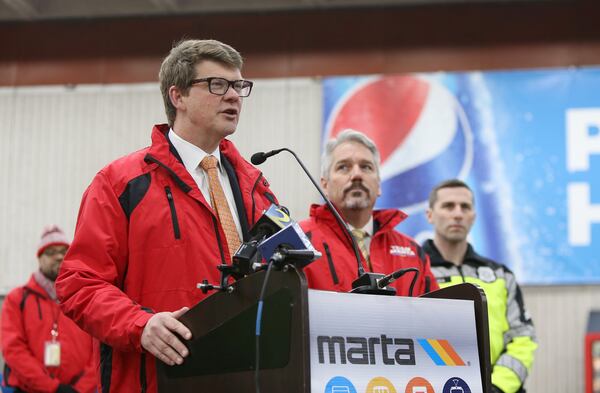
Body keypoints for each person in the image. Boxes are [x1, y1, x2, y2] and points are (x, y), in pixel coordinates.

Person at [55, 39, 278, 393]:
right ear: (178, 97)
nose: (234, 96)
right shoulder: (121, 183)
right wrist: (140, 325)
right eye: (217, 85)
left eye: (239, 86)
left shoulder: (257, 188)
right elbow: (79, 284)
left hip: (246, 377)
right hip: (158, 379)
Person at [423, 179, 537, 393]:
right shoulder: (414, 271)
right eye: (448, 206)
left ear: (473, 216)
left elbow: (523, 338)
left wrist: (495, 387)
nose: (457, 213)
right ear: (429, 215)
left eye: (465, 207)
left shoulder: (500, 275)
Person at [300, 129, 438, 296]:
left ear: (379, 185)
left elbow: (434, 317)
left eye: (366, 167)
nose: (357, 175)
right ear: (325, 185)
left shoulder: (413, 252)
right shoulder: (299, 242)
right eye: (343, 167)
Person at [1, 225, 95, 393]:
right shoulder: (17, 299)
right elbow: (13, 350)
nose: (59, 256)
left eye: (64, 251)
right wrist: (53, 388)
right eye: (51, 252)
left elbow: (97, 349)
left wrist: (81, 389)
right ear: (39, 258)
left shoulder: (84, 298)